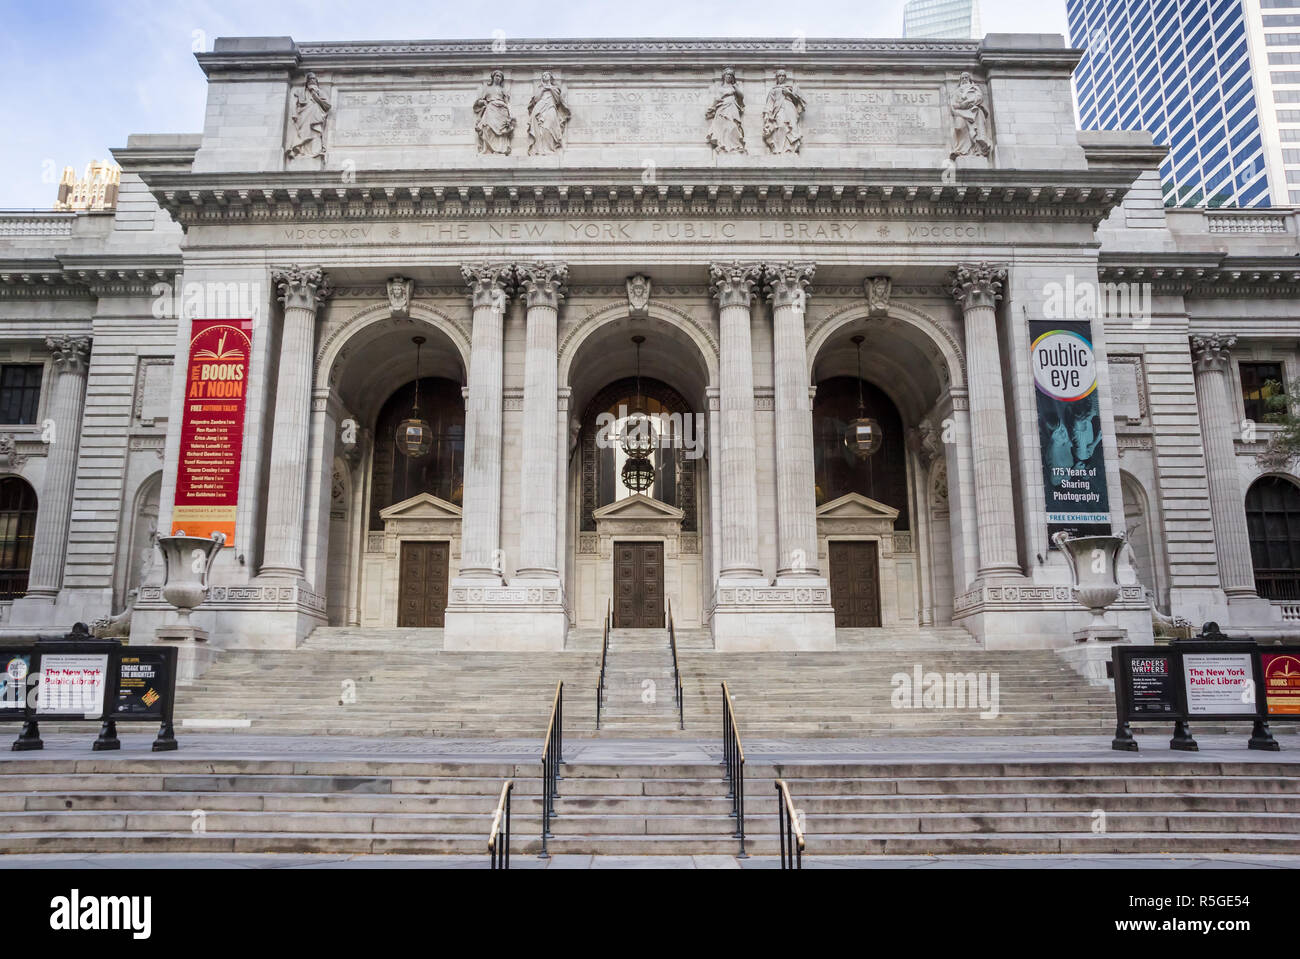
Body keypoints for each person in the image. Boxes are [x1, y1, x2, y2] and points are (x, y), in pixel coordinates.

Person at [763, 69, 806, 154]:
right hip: (779, 110)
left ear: (785, 77)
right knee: (781, 126)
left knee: (792, 127)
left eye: (783, 76)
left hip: (790, 109)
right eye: (779, 76)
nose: (781, 77)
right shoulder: (773, 90)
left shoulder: (790, 88)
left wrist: (789, 93)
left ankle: (789, 149)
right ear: (777, 78)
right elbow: (769, 103)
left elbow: (799, 101)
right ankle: (780, 149)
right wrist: (767, 114)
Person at [474, 71, 516, 155]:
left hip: (502, 110)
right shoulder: (487, 89)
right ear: (493, 77)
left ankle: (499, 149)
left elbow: (507, 103)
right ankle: (487, 149)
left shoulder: (503, 90)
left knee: (501, 130)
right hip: (491, 108)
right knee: (487, 127)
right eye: (496, 76)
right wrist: (483, 102)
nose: (498, 78)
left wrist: (511, 114)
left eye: (500, 77)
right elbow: (480, 101)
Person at [528, 72, 569, 155]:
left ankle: (550, 148)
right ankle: (541, 149)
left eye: (547, 75)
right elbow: (536, 100)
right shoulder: (540, 88)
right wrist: (543, 90)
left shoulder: (554, 88)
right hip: (539, 108)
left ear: (551, 77)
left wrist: (550, 89)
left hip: (551, 107)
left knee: (549, 126)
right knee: (540, 129)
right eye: (543, 75)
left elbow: (557, 100)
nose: (545, 76)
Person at [706, 67, 745, 154]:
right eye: (728, 74)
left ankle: (735, 145)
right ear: (724, 76)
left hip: (732, 107)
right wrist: (726, 93)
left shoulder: (734, 87)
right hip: (723, 108)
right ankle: (724, 146)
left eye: (731, 75)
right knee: (724, 127)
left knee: (733, 126)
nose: (729, 76)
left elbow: (741, 96)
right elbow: (716, 99)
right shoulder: (721, 88)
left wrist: (735, 87)